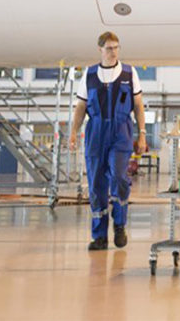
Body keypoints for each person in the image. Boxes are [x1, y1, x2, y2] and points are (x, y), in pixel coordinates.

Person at [70, 32, 147, 251]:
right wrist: (73, 132)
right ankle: (100, 236)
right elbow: (81, 107)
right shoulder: (90, 74)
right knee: (96, 184)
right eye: (109, 48)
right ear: (100, 50)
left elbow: (139, 105)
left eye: (116, 47)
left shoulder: (129, 73)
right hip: (95, 131)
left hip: (121, 131)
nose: (113, 52)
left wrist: (142, 133)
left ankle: (120, 225)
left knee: (119, 176)